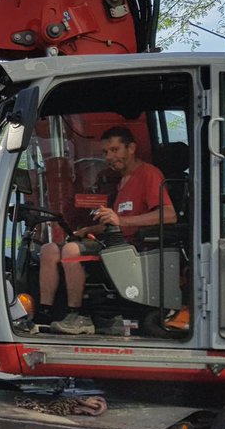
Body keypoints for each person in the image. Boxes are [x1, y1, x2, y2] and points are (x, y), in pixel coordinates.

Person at [37, 126, 176, 336]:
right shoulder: (121, 181)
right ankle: (44, 314)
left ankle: (79, 315)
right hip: (113, 241)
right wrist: (88, 229)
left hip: (133, 247)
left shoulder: (149, 174)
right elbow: (114, 222)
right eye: (105, 153)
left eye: (114, 150)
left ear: (131, 148)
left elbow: (169, 215)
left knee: (72, 251)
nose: (109, 157)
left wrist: (122, 221)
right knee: (49, 250)